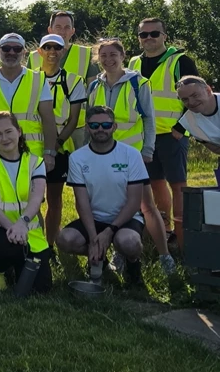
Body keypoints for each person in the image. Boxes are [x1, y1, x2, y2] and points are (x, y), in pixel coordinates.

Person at [88, 38, 174, 272]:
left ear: (122, 56)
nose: (108, 59)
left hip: (133, 156)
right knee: (115, 205)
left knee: (147, 206)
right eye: (103, 55)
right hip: (103, 156)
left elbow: (149, 119)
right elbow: (91, 123)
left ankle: (165, 256)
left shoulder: (138, 83)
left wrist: (148, 150)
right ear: (98, 59)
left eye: (113, 54)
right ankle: (119, 253)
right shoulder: (94, 86)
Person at [57, 106, 150, 285]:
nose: (100, 129)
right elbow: (82, 202)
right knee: (65, 240)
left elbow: (134, 202)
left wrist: (110, 231)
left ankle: (132, 264)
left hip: (125, 219)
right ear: (87, 127)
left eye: (106, 125)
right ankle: (100, 258)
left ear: (114, 127)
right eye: (95, 125)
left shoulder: (131, 154)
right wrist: (94, 238)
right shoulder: (77, 158)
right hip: (94, 219)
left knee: (129, 243)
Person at [129, 17, 199, 244]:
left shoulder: (180, 61)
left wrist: (181, 127)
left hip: (171, 135)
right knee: (154, 184)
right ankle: (165, 231)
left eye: (154, 33)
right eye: (144, 34)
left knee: (177, 186)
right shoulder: (133, 63)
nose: (149, 38)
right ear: (139, 38)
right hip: (143, 137)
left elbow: (197, 97)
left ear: (164, 36)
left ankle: (182, 237)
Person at [0, 112, 51, 293]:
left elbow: (36, 197)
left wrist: (22, 223)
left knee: (42, 288)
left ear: (19, 131)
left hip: (28, 230)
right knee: (12, 248)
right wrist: (12, 228)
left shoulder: (36, 162)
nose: (4, 138)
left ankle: (15, 267)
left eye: (8, 131)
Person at [0, 33, 58, 170]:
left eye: (17, 49)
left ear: (24, 52)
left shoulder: (38, 79)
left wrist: (49, 153)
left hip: (32, 154)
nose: (11, 52)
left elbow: (48, 119)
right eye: (6, 48)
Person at [37, 34, 85, 246]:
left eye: (57, 47)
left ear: (63, 51)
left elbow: (73, 119)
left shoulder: (73, 80)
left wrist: (55, 145)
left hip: (60, 146)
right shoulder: (30, 78)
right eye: (47, 47)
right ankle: (34, 244)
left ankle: (49, 245)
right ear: (40, 51)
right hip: (32, 145)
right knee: (32, 199)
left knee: (54, 199)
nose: (52, 51)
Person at [28, 11, 98, 83]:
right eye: (58, 27)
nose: (62, 31)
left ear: (72, 31)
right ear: (50, 30)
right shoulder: (34, 57)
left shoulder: (87, 54)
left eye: (67, 27)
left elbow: (93, 87)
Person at [176, 76, 220, 152]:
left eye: (195, 95)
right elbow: (215, 148)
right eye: (185, 99)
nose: (191, 102)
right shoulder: (188, 121)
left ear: (208, 90)